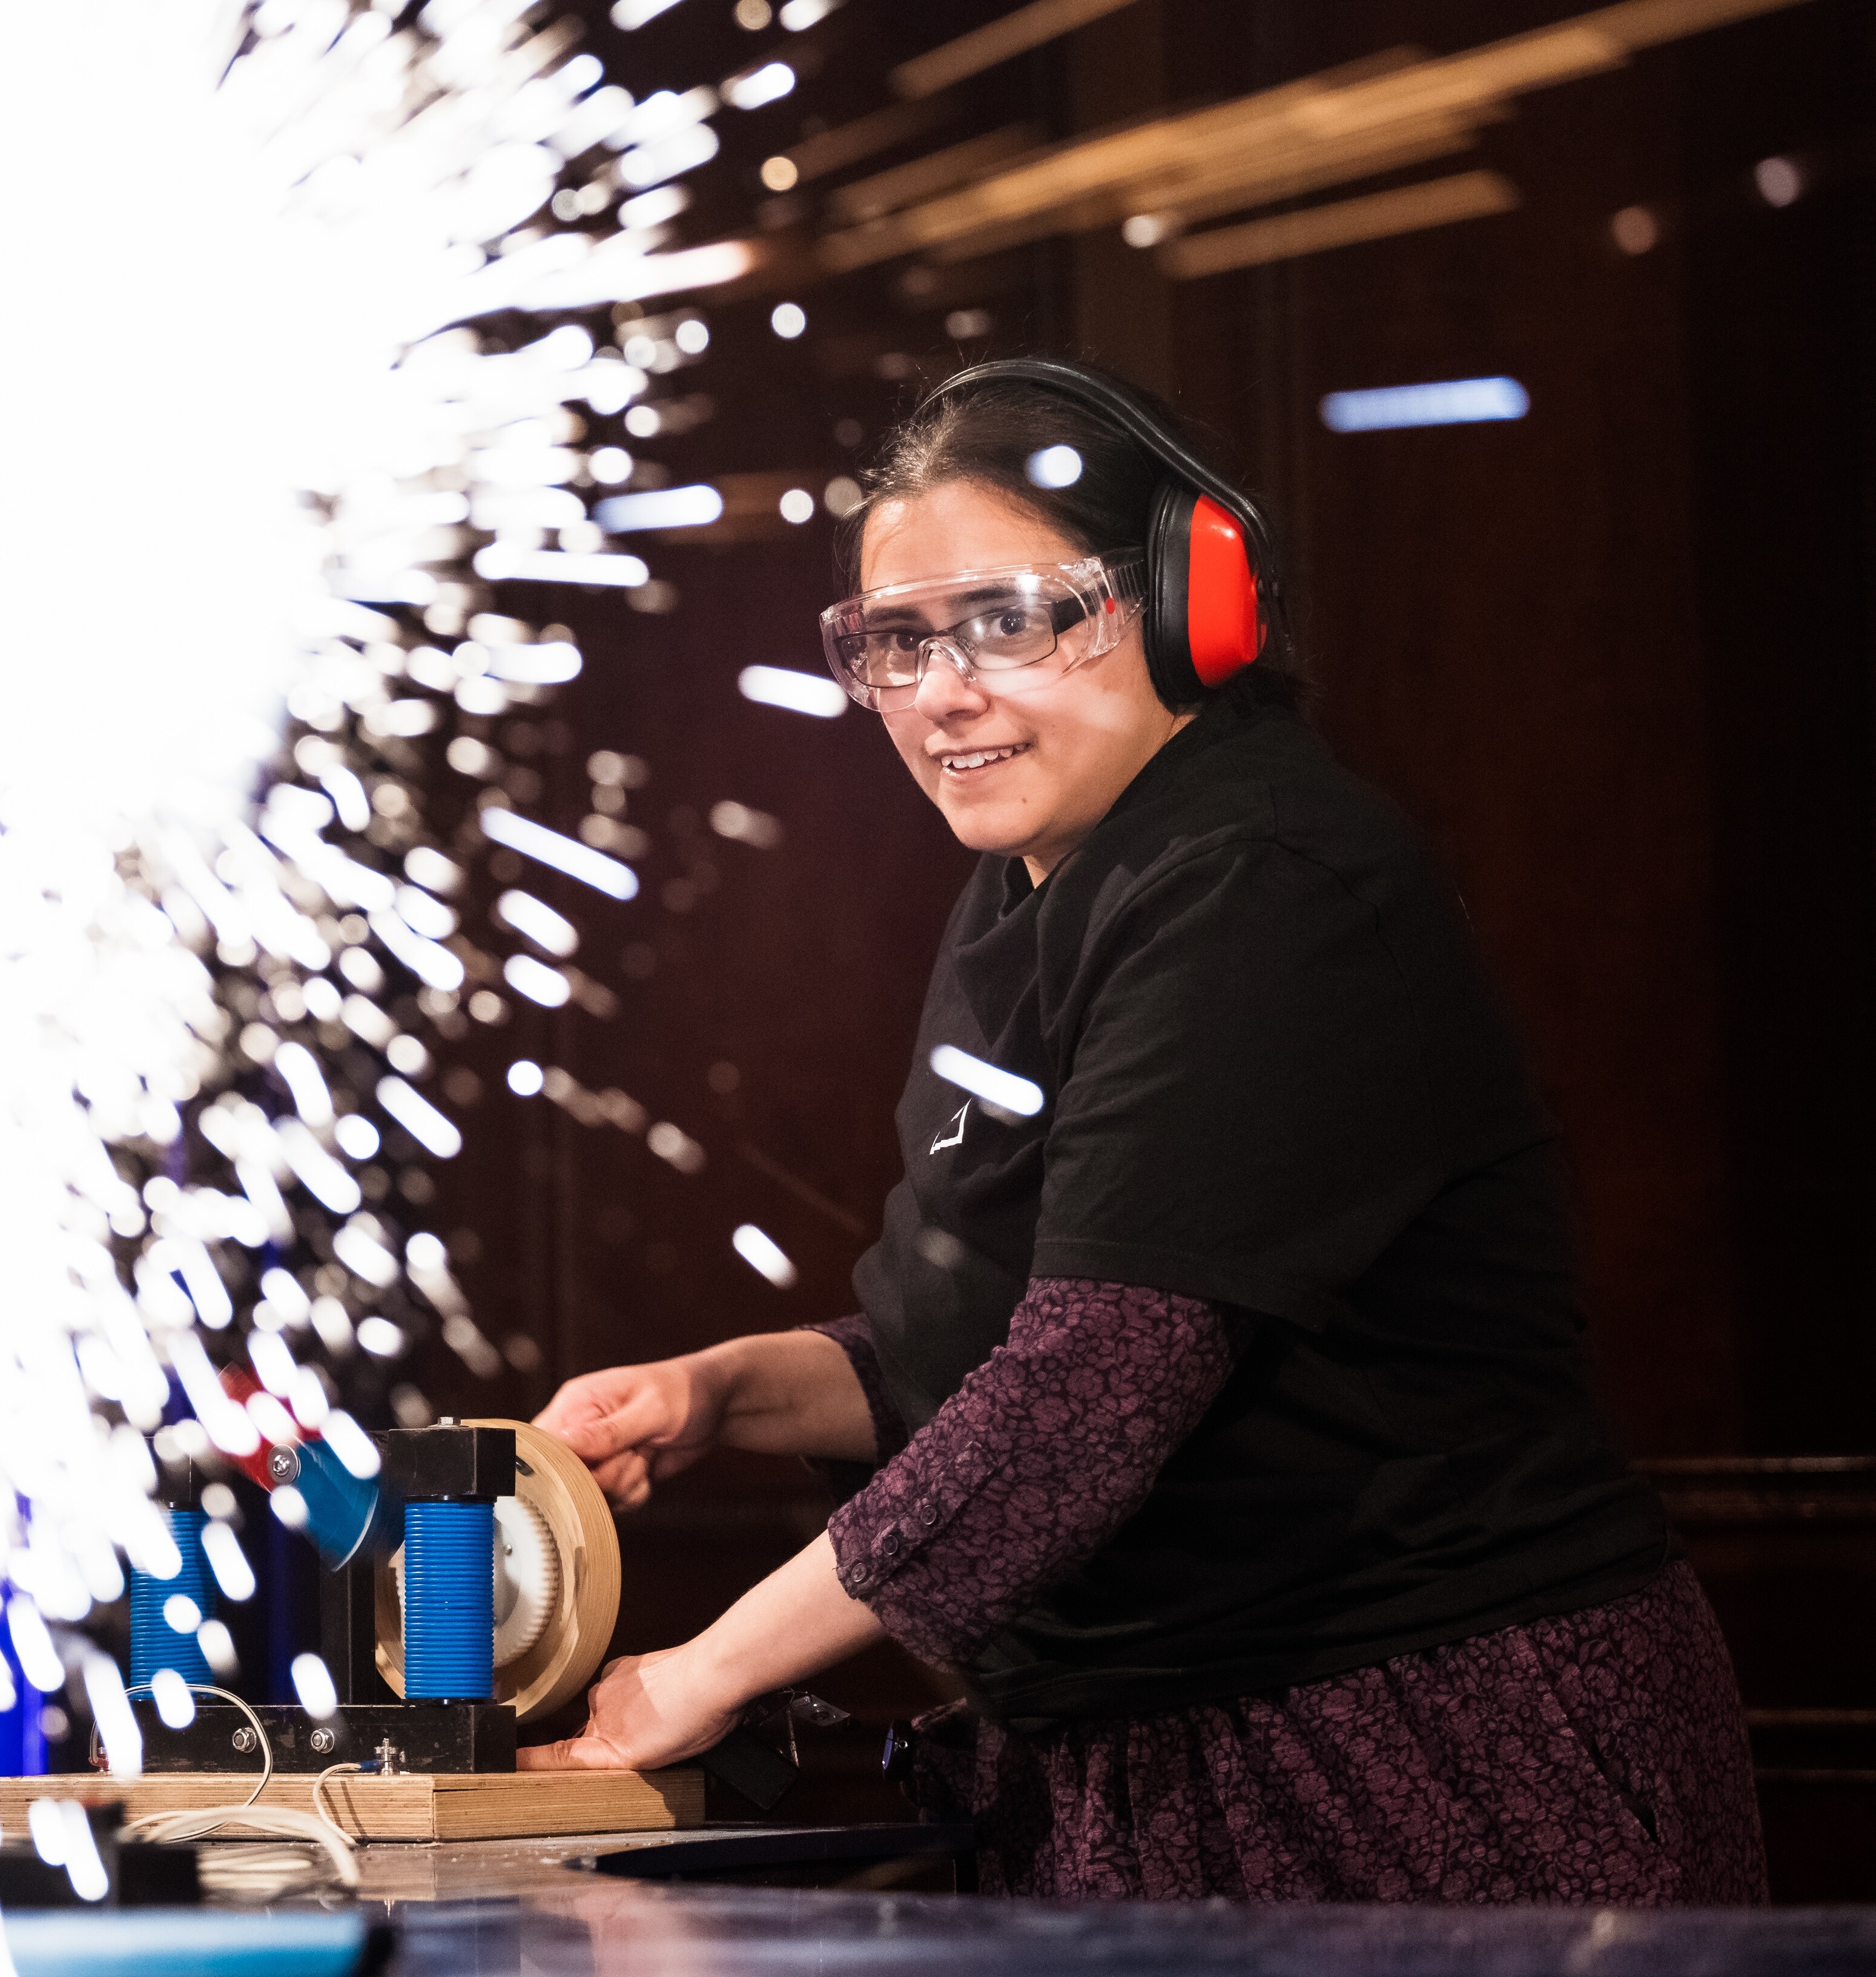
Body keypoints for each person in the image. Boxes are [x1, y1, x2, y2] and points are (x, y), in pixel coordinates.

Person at [515, 357, 1765, 1904]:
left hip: (1422, 1746)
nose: (942, 692)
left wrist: (699, 1674)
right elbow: (985, 1337)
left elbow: (1085, 1395)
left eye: (1006, 620)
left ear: (1185, 602)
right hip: (1159, 1754)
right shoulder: (1024, 892)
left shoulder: (1265, 882)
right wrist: (722, 1394)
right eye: (897, 641)